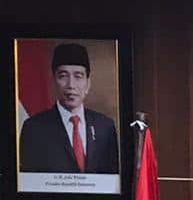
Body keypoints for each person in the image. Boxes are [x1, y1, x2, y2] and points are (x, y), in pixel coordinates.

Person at [18, 42, 120, 176]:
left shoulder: (105, 127)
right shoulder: (34, 128)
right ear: (53, 81)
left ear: (88, 83)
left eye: (78, 76)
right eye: (63, 76)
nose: (71, 85)